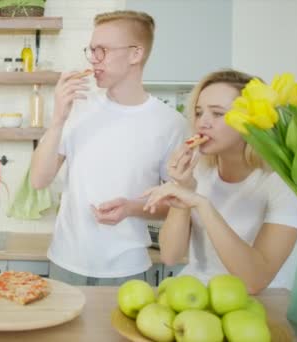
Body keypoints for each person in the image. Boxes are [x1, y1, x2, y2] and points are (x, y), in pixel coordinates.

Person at [30, 10, 187, 286]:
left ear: (135, 54)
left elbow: (172, 205)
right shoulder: (78, 106)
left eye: (102, 51)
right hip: (65, 262)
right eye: (91, 50)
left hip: (128, 269)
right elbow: (38, 180)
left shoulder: (170, 124)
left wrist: (131, 208)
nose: (93, 59)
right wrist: (57, 119)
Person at [143, 70, 297, 293]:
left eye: (217, 114)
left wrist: (201, 204)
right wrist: (183, 189)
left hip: (257, 306)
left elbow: (254, 281)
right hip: (196, 295)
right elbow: (171, 255)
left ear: (251, 122)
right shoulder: (198, 170)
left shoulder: (283, 184)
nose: (202, 123)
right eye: (199, 113)